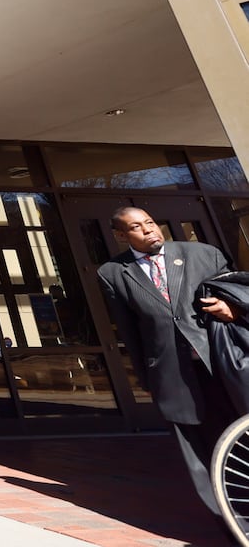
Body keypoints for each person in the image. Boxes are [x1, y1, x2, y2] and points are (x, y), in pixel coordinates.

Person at [96, 205, 237, 517]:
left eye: (149, 221)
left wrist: (233, 310)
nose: (148, 229)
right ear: (121, 236)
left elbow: (237, 293)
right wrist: (146, 378)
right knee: (197, 448)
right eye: (136, 227)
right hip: (172, 373)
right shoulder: (113, 273)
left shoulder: (202, 254)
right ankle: (225, 517)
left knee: (238, 431)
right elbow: (130, 331)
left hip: (220, 363)